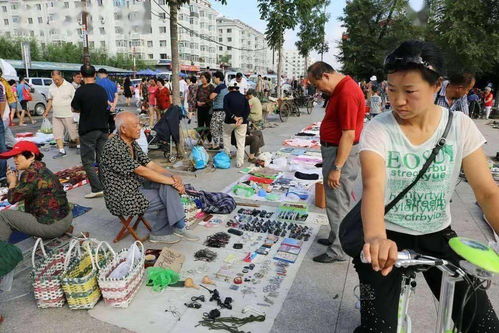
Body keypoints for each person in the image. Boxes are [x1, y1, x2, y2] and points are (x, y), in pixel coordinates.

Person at [355, 40, 499, 333]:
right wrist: (375, 237)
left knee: (483, 324)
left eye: (409, 91)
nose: (397, 101)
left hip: (439, 234)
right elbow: (373, 185)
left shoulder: (460, 126)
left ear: (436, 87)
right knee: (377, 328)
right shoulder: (378, 129)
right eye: (391, 89)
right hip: (388, 235)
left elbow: (486, 192)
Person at [100, 112, 199, 244]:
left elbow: (149, 164)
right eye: (136, 125)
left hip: (135, 186)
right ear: (123, 129)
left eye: (139, 124)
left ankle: (177, 226)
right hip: (122, 196)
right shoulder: (114, 147)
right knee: (169, 193)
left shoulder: (131, 143)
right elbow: (142, 171)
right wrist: (174, 183)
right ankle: (163, 232)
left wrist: (173, 176)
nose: (139, 128)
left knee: (168, 186)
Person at [307, 61, 365, 264]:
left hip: (341, 154)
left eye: (316, 84)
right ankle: (336, 237)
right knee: (338, 199)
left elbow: (348, 134)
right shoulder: (341, 89)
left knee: (337, 201)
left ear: (325, 76)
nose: (318, 89)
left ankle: (339, 250)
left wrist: (337, 168)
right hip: (335, 151)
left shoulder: (347, 92)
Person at [0, 141, 72, 242]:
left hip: (54, 226)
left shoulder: (30, 174)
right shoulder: (41, 167)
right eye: (13, 157)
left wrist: (12, 182)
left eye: (17, 156)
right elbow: (24, 192)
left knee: (3, 216)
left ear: (31, 156)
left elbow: (12, 199)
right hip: (66, 218)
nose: (14, 160)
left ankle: (3, 250)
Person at [71, 65, 108, 199]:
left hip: (88, 129)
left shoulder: (80, 91)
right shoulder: (101, 90)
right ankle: (105, 186)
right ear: (94, 74)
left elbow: (74, 108)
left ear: (81, 75)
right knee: (102, 159)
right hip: (103, 128)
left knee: (87, 160)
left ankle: (97, 188)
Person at [44, 71, 79, 159]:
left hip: (68, 114)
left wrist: (77, 111)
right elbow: (50, 100)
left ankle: (79, 146)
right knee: (57, 134)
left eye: (57, 79)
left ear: (62, 77)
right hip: (56, 114)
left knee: (74, 134)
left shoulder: (69, 86)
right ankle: (61, 151)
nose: (56, 81)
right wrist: (46, 111)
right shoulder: (51, 86)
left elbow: (75, 100)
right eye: (54, 79)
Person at [223, 83, 250, 168]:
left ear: (229, 88)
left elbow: (226, 109)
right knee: (241, 142)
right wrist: (242, 118)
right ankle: (239, 162)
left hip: (229, 122)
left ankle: (227, 157)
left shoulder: (226, 97)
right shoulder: (243, 97)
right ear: (238, 88)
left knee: (226, 136)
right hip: (242, 122)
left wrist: (234, 117)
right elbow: (247, 110)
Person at [209, 71, 228, 150]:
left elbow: (211, 97)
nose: (213, 79)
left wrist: (211, 94)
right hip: (224, 111)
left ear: (218, 78)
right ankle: (221, 143)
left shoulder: (219, 87)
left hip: (218, 111)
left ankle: (216, 144)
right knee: (221, 128)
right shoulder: (225, 86)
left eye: (214, 77)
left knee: (214, 127)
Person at [96, 68, 118, 133]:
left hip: (103, 107)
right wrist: (113, 105)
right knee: (112, 124)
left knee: (103, 125)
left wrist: (110, 104)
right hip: (112, 108)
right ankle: (111, 139)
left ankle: (104, 140)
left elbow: (102, 97)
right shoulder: (113, 83)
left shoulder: (98, 84)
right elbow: (116, 96)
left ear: (100, 74)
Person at [196, 72, 214, 143]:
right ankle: (202, 139)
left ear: (207, 78)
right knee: (200, 124)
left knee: (208, 124)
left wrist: (204, 103)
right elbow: (197, 96)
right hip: (200, 108)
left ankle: (209, 140)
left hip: (208, 108)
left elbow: (212, 98)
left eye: (203, 78)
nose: (202, 79)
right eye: (201, 78)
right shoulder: (199, 87)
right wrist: (197, 102)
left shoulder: (211, 87)